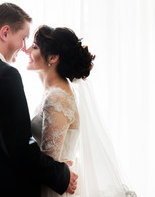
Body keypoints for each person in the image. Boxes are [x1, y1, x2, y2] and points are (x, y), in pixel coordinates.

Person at [0, 3, 78, 197]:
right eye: (24, 38)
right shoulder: (5, 75)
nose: (24, 47)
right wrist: (61, 175)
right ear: (5, 33)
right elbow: (19, 148)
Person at [24, 25, 136, 196]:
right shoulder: (54, 92)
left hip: (53, 187)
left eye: (34, 46)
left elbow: (50, 161)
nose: (27, 50)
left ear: (53, 57)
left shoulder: (57, 98)